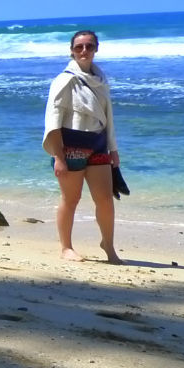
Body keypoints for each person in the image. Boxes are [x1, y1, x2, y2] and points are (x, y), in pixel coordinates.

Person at [42, 29, 121, 263]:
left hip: (98, 144)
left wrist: (113, 149)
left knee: (105, 199)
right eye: (79, 47)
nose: (84, 51)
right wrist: (58, 156)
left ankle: (109, 246)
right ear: (72, 51)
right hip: (70, 145)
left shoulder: (101, 79)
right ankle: (66, 247)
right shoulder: (64, 81)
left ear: (96, 49)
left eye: (89, 46)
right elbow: (53, 122)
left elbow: (108, 117)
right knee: (71, 199)